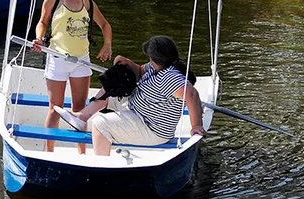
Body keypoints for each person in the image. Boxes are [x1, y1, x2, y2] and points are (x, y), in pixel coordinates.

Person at [57, 35, 207, 156]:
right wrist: (125, 62)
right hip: (138, 111)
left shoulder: (169, 76)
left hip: (151, 128)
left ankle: (101, 167)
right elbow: (140, 70)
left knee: (100, 124)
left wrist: (196, 125)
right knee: (114, 84)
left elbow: (192, 95)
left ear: (156, 57)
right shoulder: (156, 67)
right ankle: (81, 117)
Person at [31, 0, 113, 153]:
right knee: (55, 108)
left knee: (80, 110)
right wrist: (39, 38)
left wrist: (107, 45)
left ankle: (82, 152)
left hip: (81, 61)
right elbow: (42, 22)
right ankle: (48, 151)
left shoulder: (86, 2)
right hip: (58, 59)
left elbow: (105, 25)